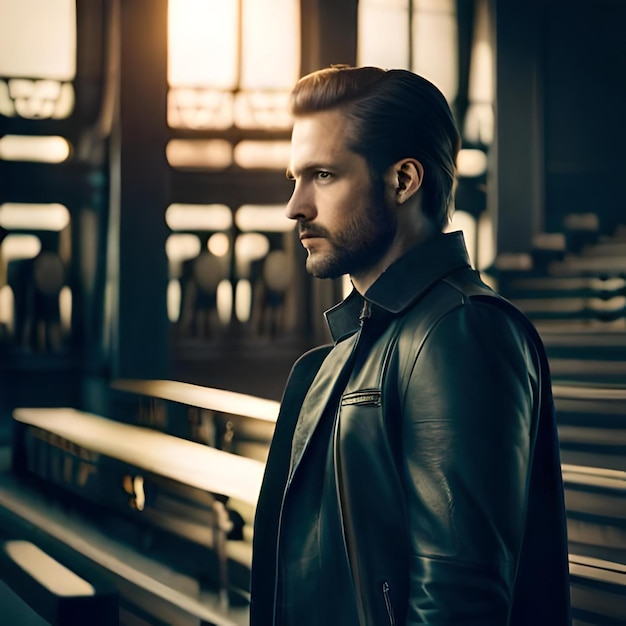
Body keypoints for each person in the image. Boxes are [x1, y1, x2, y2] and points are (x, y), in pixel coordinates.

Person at [250, 65, 571, 626]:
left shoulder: (462, 331)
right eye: (294, 179)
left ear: (403, 181)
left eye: (323, 175)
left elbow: (457, 604)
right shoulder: (354, 346)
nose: (295, 206)